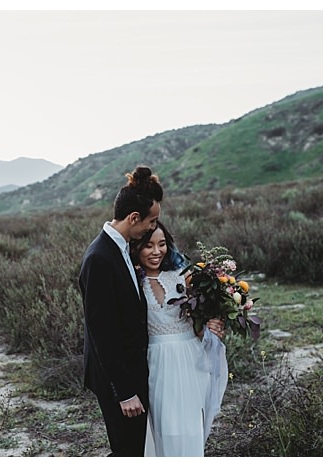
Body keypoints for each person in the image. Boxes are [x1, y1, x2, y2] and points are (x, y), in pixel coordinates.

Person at [78, 166, 164, 456]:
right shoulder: (99, 258)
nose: (153, 227)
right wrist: (124, 392)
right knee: (128, 451)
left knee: (137, 447)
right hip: (117, 377)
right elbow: (102, 332)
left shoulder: (123, 247)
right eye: (151, 221)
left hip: (131, 369)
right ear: (134, 218)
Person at [131, 220, 229, 457]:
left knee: (189, 426)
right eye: (148, 245)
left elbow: (197, 323)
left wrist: (212, 324)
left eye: (162, 244)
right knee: (165, 426)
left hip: (191, 357)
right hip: (158, 361)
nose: (156, 251)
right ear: (136, 248)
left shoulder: (183, 276)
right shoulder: (132, 281)